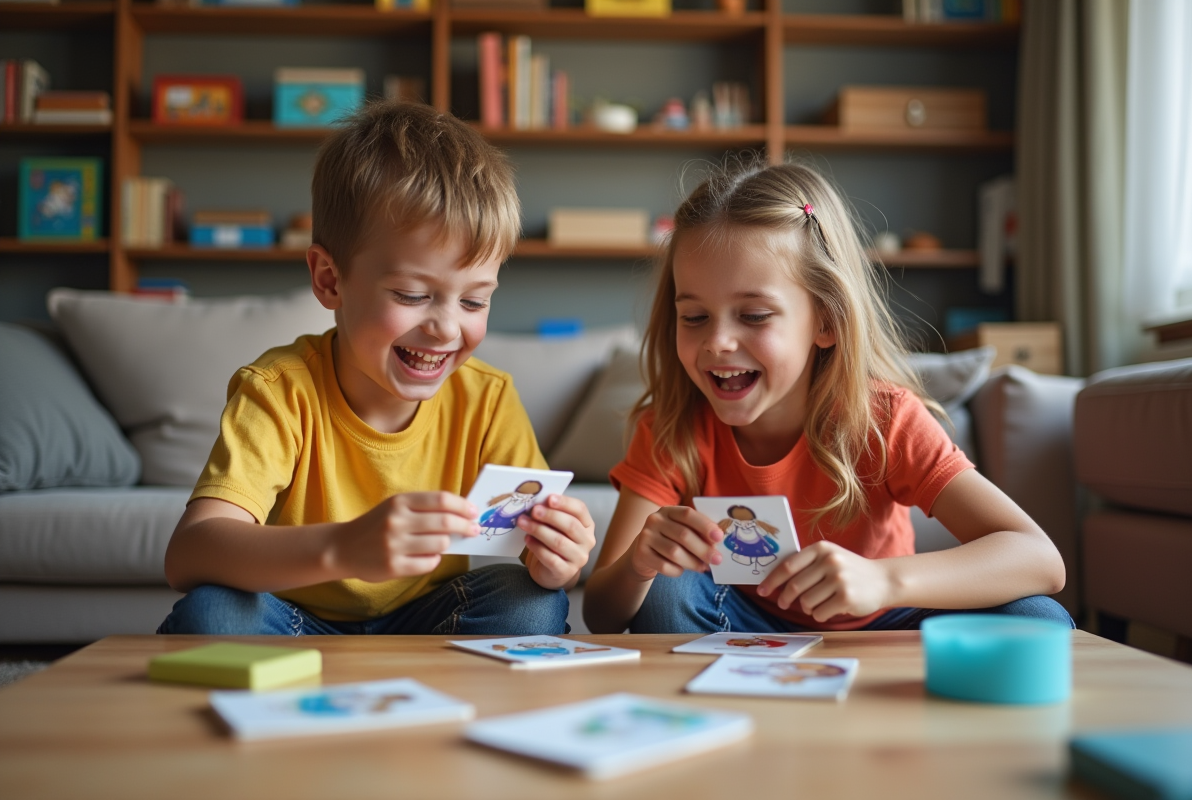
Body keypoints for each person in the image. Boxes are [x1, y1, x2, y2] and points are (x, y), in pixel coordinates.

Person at [159, 101, 595, 637]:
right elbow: (189, 554)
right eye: (412, 295)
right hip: (294, 620)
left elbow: (531, 549)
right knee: (213, 612)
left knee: (531, 603)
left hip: (431, 617)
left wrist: (558, 561)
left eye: (474, 301)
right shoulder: (279, 390)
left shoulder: (487, 399)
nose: (446, 329)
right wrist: (343, 548)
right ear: (329, 280)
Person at [583, 159, 1070, 635]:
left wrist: (883, 581)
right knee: (664, 591)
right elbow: (603, 617)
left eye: (753, 316)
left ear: (827, 321)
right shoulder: (670, 428)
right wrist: (638, 566)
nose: (717, 342)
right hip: (742, 625)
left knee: (1036, 618)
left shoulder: (885, 419)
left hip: (887, 622)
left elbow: (1040, 558)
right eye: (695, 318)